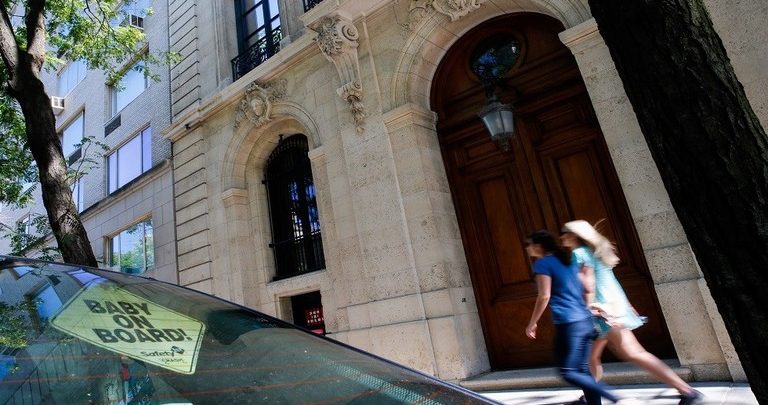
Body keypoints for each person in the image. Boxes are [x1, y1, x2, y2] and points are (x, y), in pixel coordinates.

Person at [560, 220, 703, 405]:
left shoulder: (579, 253)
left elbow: (588, 286)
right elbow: (610, 282)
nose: (561, 237)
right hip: (611, 308)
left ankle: (686, 391)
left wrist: (586, 310)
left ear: (574, 235)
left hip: (601, 312)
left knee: (634, 353)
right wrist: (626, 305)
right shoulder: (594, 253)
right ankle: (589, 397)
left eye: (563, 232)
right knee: (591, 357)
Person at [524, 230, 639, 405]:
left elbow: (544, 295)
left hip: (569, 323)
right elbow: (586, 288)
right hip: (585, 320)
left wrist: (532, 323)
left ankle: (615, 396)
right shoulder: (566, 260)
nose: (527, 248)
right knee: (583, 370)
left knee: (568, 371)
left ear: (538, 246)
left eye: (529, 244)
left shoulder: (542, 264)